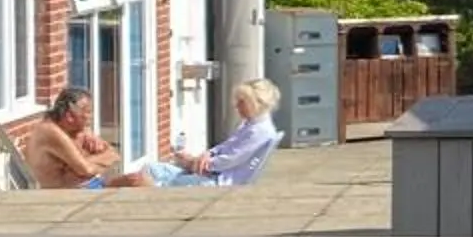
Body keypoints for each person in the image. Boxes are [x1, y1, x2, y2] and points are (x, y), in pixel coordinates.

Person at [137, 77, 282, 188]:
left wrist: (195, 163)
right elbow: (225, 147)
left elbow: (231, 159)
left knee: (153, 178)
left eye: (241, 102)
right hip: (211, 174)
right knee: (151, 169)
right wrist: (208, 154)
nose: (236, 106)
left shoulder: (260, 132)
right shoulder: (251, 124)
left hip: (216, 181)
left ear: (256, 104)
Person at [15, 87, 150, 190]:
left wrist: (92, 159)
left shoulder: (74, 128)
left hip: (89, 186)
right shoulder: (50, 132)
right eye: (87, 113)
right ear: (69, 116)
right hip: (64, 198)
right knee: (136, 184)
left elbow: (114, 155)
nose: (90, 118)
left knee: (139, 180)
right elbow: (86, 170)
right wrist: (99, 159)